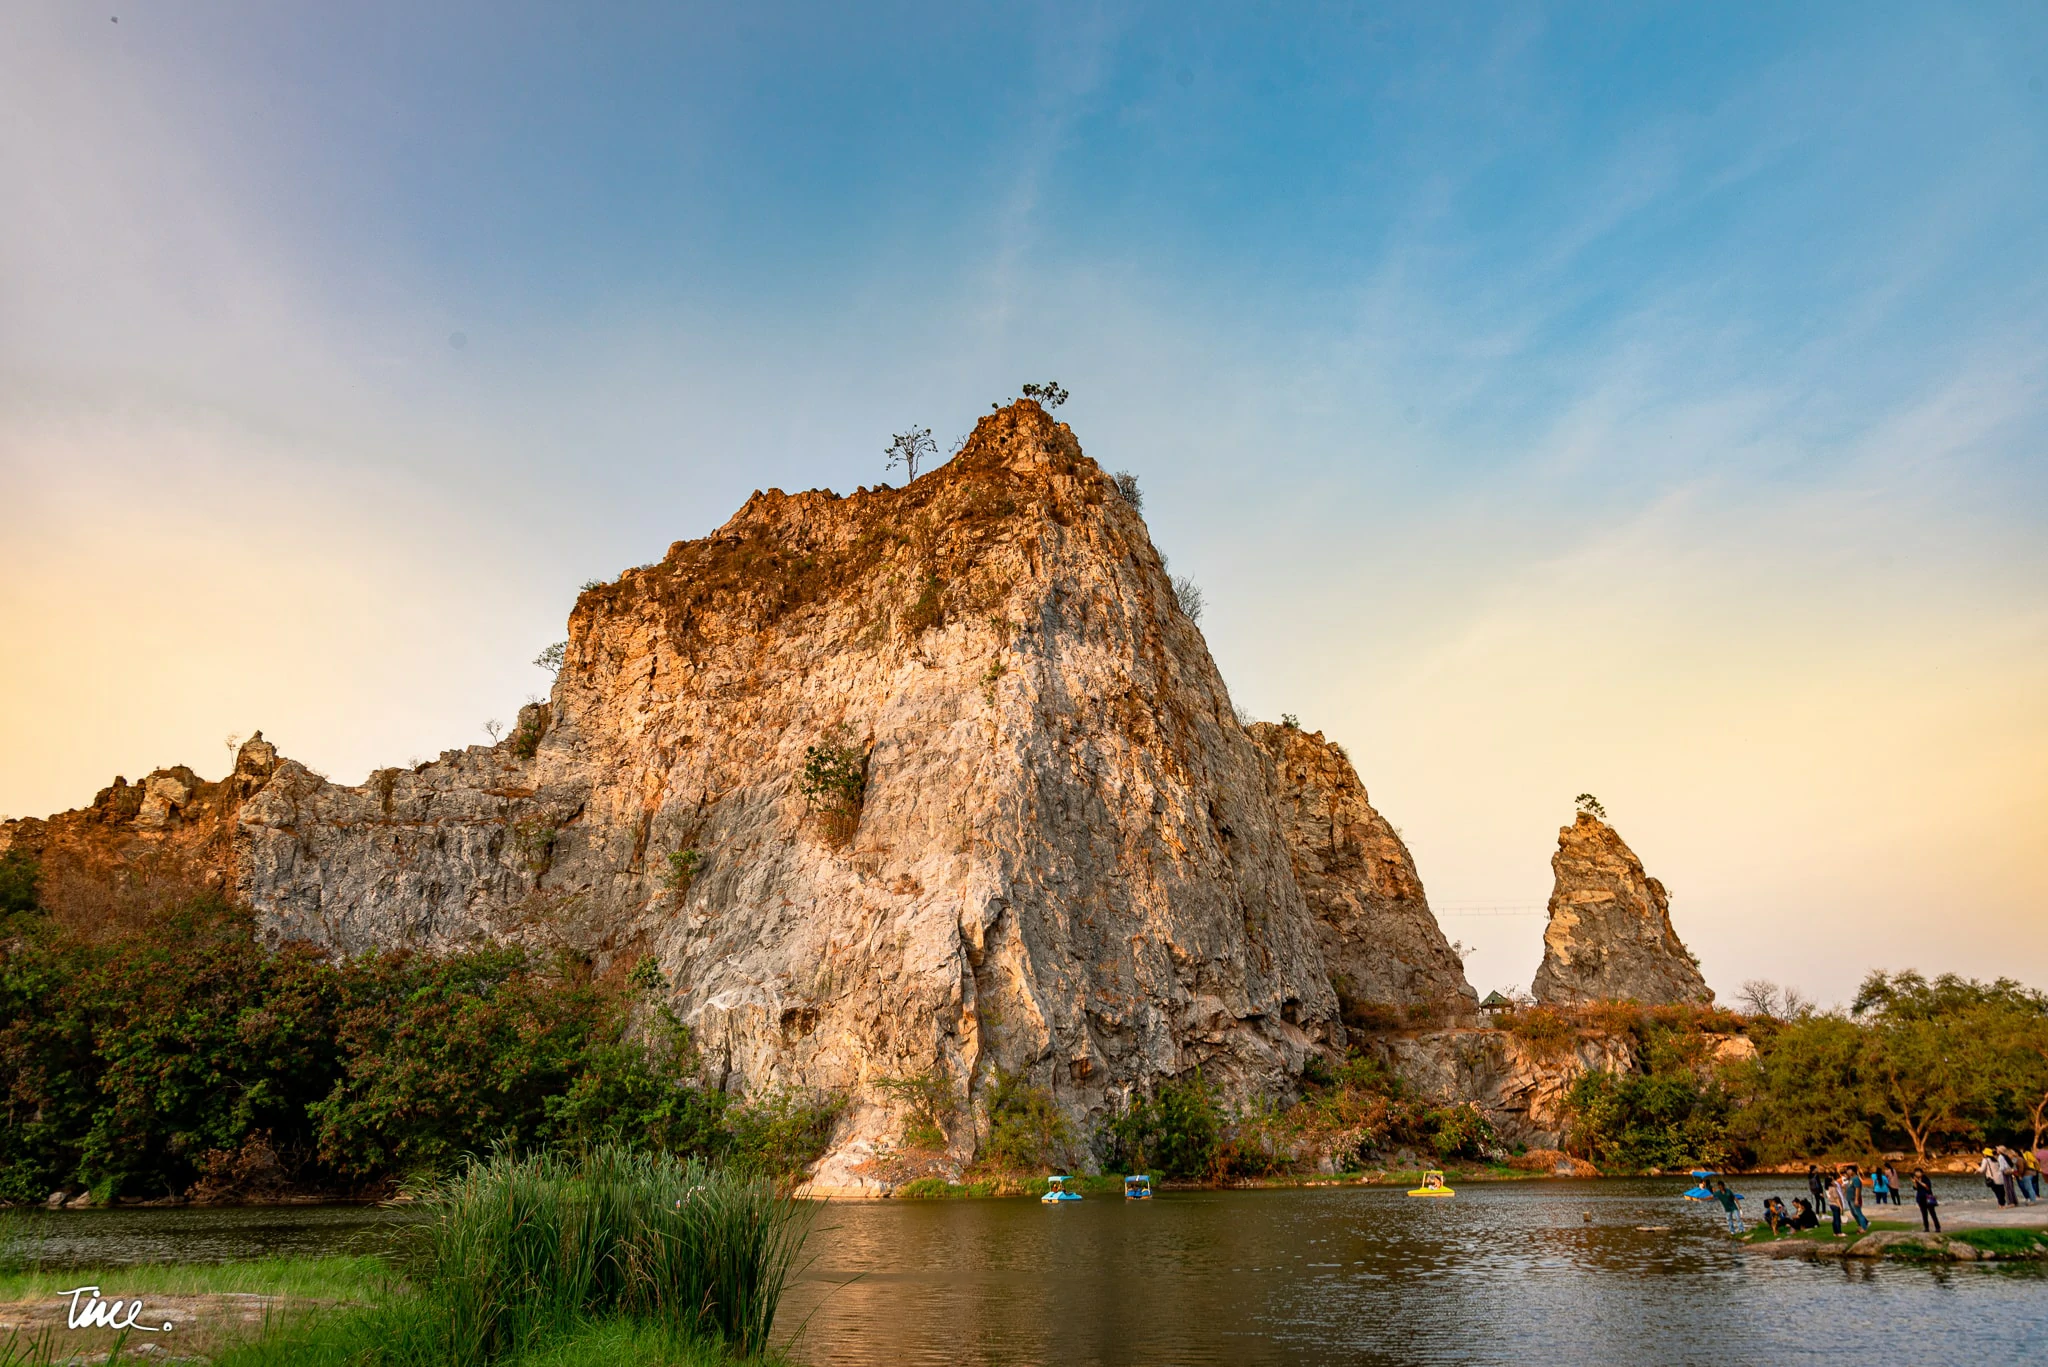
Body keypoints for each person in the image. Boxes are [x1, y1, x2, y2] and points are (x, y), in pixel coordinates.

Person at [1843, 1165, 1870, 1233]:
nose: (1847, 1172)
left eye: (1848, 1170)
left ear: (1852, 1171)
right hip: (1849, 1199)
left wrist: (1856, 1199)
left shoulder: (1856, 1179)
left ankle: (1864, 1228)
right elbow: (1849, 1187)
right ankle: (1860, 1225)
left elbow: (1857, 1189)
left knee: (1858, 1213)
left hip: (1854, 1198)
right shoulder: (1851, 1179)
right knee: (1854, 1213)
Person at [1913, 1168, 1941, 1232]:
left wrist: (1919, 1181)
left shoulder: (1925, 1178)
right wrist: (1915, 1182)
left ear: (1921, 1172)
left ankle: (1937, 1227)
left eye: (1918, 1172)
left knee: (1932, 1213)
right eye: (1916, 1172)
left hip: (1928, 1198)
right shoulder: (1916, 1180)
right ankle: (1926, 1228)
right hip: (1920, 1198)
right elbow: (1916, 1188)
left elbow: (1927, 1187)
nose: (1917, 1173)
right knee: (1924, 1214)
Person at [1825, 1171, 1847, 1236]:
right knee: (1837, 1219)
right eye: (1832, 1181)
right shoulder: (1833, 1188)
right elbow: (1836, 1198)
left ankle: (1835, 1232)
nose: (1833, 1182)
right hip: (1835, 1204)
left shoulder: (1827, 1188)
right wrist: (1840, 1206)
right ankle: (1839, 1232)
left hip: (1831, 1204)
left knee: (1835, 1218)